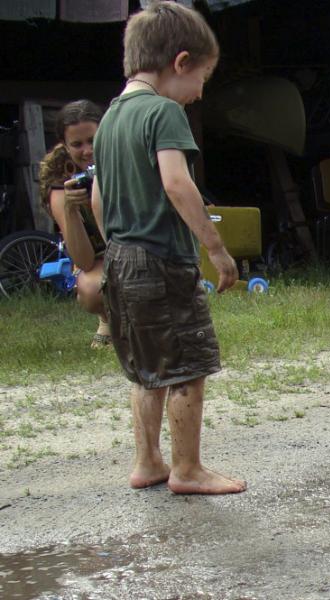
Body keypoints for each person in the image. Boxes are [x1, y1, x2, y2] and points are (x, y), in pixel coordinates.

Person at [91, 1, 245, 494]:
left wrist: (115, 244)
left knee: (146, 367)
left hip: (120, 257)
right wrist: (217, 249)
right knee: (185, 366)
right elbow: (178, 184)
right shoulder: (163, 111)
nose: (200, 93)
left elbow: (98, 197)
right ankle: (187, 469)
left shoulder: (111, 118)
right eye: (202, 77)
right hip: (161, 260)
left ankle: (148, 462)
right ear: (180, 63)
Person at [40, 100, 111, 349]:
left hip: (137, 246)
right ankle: (107, 317)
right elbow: (84, 261)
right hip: (100, 256)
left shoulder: (124, 158)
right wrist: (71, 211)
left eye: (93, 140)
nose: (88, 151)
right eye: (77, 144)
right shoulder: (61, 183)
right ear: (65, 145)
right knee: (93, 289)